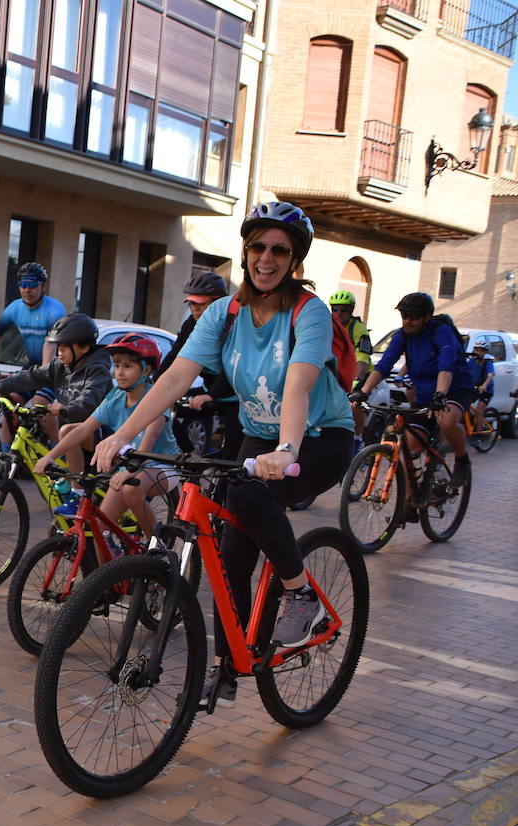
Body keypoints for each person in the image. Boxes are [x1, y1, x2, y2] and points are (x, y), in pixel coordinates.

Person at [91, 201, 354, 705]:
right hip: (258, 436)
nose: (266, 258)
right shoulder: (224, 313)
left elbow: (298, 386)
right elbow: (173, 378)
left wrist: (288, 447)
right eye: (258, 247)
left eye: (280, 250)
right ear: (246, 252)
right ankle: (227, 663)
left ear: (294, 257)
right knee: (230, 549)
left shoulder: (309, 312)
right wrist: (121, 433)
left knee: (249, 496)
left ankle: (300, 593)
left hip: (318, 439)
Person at [35, 332, 177, 538]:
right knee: (99, 531)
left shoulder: (155, 397)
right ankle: (113, 567)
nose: (119, 372)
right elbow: (84, 428)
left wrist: (131, 471)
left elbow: (151, 437)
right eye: (117, 365)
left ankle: (157, 546)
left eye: (127, 366)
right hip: (128, 469)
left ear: (146, 369)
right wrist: (51, 455)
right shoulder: (116, 396)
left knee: (130, 489)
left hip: (162, 466)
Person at [352, 292, 476, 487]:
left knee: (446, 420)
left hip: (454, 387)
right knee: (409, 447)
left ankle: (462, 461)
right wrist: (364, 391)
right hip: (426, 392)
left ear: (427, 317)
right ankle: (409, 503)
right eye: (404, 316)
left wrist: (441, 394)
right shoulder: (402, 335)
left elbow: (446, 365)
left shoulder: (441, 331)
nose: (408, 321)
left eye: (414, 317)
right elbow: (384, 365)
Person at [0, 262, 69, 440]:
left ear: (43, 286)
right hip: (33, 365)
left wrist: (43, 373)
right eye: (23, 285)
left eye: (32, 284)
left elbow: (51, 344)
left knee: (40, 404)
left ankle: (59, 451)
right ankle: (6, 453)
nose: (27, 290)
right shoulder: (15, 308)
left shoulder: (54, 309)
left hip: (54, 368)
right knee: (9, 401)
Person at [0, 313, 112, 456]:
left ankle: (72, 478)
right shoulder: (59, 366)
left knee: (70, 461)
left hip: (98, 437)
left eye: (65, 347)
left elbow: (88, 400)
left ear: (84, 347)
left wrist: (66, 409)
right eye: (58, 346)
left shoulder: (98, 372)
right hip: (71, 434)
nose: (59, 352)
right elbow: (31, 376)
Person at [160, 272, 243, 459]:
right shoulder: (191, 324)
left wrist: (211, 395)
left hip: (235, 395)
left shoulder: (234, 325)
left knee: (233, 455)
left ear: (218, 303)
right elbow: (175, 355)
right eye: (192, 304)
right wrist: (154, 381)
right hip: (209, 389)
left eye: (201, 304)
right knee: (166, 412)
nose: (195, 309)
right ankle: (192, 456)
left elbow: (232, 365)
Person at [327, 290, 373, 452]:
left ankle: (358, 438)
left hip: (360, 373)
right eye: (335, 309)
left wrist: (356, 380)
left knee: (354, 404)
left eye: (343, 310)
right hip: (337, 372)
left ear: (351, 310)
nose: (338, 313)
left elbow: (362, 358)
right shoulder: (328, 326)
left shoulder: (358, 329)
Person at [471, 335, 496, 428]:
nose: (479, 353)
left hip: (486, 391)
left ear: (485, 352)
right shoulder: (472, 361)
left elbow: (490, 375)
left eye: (482, 351)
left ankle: (478, 436)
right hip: (474, 389)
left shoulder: (488, 362)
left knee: (479, 411)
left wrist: (484, 385)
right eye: (477, 350)